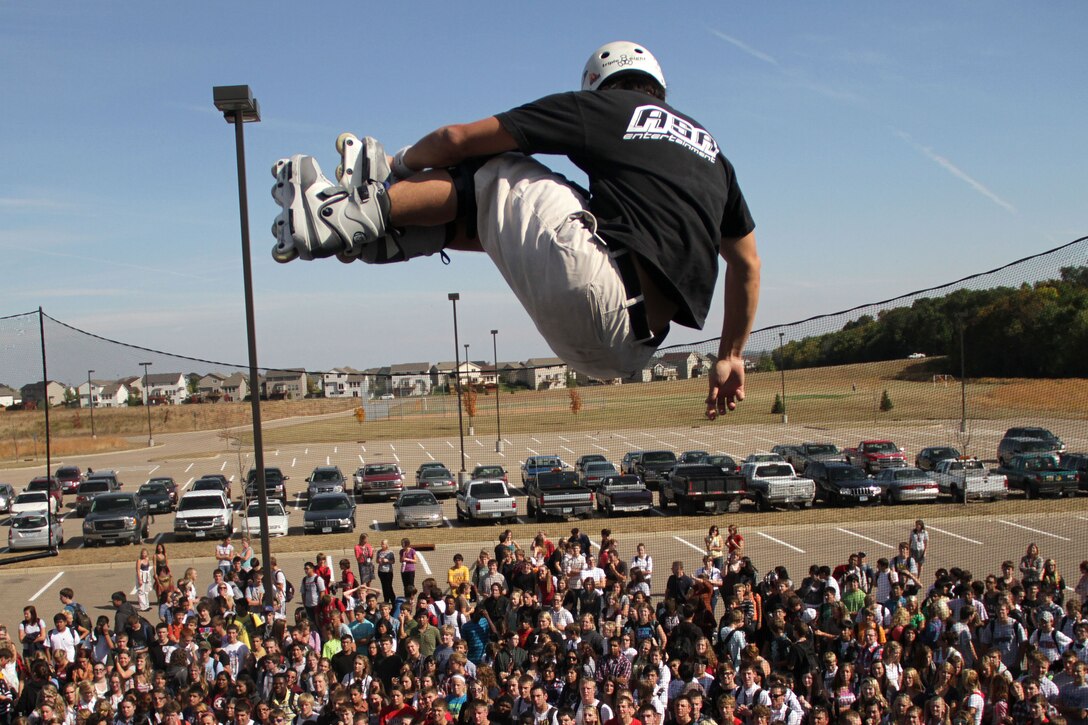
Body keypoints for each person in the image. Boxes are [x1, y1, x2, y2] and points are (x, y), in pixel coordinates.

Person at [270, 40, 760, 414]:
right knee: (508, 217)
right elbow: (746, 265)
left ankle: (351, 213)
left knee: (496, 168)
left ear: (599, 84)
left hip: (601, 296)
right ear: (659, 87)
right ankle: (396, 232)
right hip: (629, 353)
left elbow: (456, 139)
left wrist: (398, 165)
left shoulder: (605, 109)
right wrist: (730, 354)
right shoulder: (715, 157)